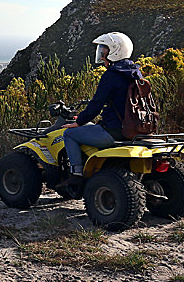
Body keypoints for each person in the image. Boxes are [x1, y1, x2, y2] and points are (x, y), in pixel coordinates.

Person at [61, 32, 143, 181]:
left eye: (104, 51)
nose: (102, 55)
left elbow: (96, 104)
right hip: (136, 129)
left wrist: (79, 121)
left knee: (69, 134)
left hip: (115, 131)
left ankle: (76, 174)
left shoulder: (111, 75)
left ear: (115, 51)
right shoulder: (136, 73)